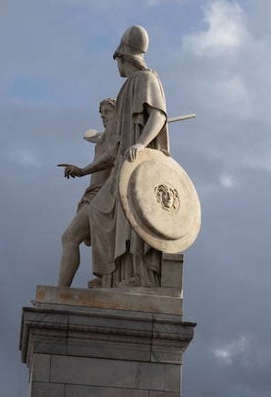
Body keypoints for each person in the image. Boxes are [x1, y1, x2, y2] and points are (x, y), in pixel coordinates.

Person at [84, 25, 171, 288]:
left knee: (135, 221)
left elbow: (158, 115)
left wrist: (142, 144)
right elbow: (113, 144)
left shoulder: (146, 79)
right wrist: (84, 169)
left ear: (122, 57)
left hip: (138, 165)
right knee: (101, 212)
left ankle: (139, 275)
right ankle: (114, 276)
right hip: (123, 162)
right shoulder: (128, 88)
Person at [57, 98, 119, 287]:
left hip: (103, 194)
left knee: (70, 237)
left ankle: (62, 290)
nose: (103, 116)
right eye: (101, 113)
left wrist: (83, 170)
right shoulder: (107, 136)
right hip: (94, 193)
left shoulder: (118, 131)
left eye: (107, 112)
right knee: (96, 239)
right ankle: (105, 278)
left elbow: (112, 156)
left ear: (119, 113)